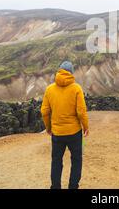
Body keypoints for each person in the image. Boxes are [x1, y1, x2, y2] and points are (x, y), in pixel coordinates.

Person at [41, 61, 89, 189]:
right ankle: (73, 186)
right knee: (76, 160)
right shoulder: (76, 88)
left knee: (56, 161)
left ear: (59, 71)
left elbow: (44, 111)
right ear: (71, 73)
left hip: (57, 133)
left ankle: (55, 186)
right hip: (75, 133)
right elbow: (81, 111)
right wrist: (86, 126)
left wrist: (48, 128)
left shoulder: (49, 89)